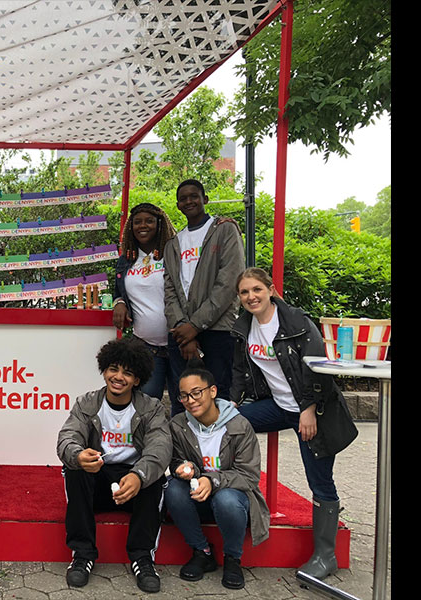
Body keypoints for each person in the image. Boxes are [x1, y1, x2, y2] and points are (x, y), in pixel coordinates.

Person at [230, 267, 357, 579]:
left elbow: (318, 368)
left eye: (256, 290)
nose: (251, 297)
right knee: (230, 422)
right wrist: (231, 403)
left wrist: (309, 408)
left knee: (320, 481)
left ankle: (326, 556)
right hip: (278, 406)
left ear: (270, 290)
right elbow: (238, 369)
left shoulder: (297, 322)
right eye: (245, 292)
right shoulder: (243, 326)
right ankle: (231, 489)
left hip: (313, 410)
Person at [56, 337, 171, 592]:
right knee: (74, 470)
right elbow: (67, 438)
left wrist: (139, 475)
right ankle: (82, 554)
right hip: (99, 477)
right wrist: (78, 455)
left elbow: (160, 448)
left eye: (127, 373)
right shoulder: (87, 403)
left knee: (155, 478)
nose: (118, 377)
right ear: (104, 370)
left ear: (137, 380)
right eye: (113, 369)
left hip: (132, 482)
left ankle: (142, 557)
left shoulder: (151, 408)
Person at [164, 359, 269, 590]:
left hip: (233, 498)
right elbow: (174, 460)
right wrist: (183, 467)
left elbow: (249, 476)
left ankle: (233, 558)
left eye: (196, 393)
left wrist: (212, 480)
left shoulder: (240, 425)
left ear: (212, 391)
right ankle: (202, 552)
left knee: (227, 499)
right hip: (197, 495)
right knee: (172, 488)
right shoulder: (179, 424)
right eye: (184, 396)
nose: (190, 401)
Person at [163, 179, 244, 416]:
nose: (189, 201)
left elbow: (228, 284)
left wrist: (195, 326)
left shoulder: (225, 230)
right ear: (177, 205)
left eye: (194, 196)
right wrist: (183, 330)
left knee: (217, 400)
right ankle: (185, 452)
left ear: (205, 199)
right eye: (183, 198)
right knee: (182, 402)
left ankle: (218, 452)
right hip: (181, 336)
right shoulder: (173, 243)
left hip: (218, 330)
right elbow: (169, 291)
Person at [113, 202, 178, 403]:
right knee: (146, 405)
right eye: (137, 222)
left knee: (183, 405)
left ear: (160, 224)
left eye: (149, 221)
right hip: (147, 348)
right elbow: (118, 291)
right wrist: (119, 303)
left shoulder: (172, 254)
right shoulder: (126, 260)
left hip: (180, 345)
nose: (143, 226)